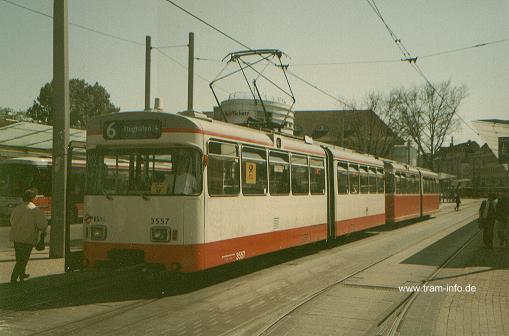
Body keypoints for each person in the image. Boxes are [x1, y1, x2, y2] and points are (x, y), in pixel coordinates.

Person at [9, 189, 48, 284]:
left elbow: (12, 221)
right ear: (33, 198)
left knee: (19, 257)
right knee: (24, 258)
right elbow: (42, 224)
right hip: (28, 238)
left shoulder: (17, 208)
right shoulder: (35, 210)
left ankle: (22, 274)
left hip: (16, 237)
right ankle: (13, 278)